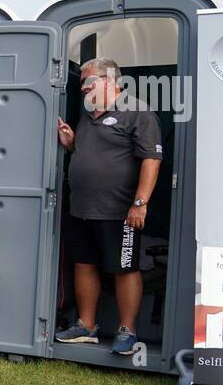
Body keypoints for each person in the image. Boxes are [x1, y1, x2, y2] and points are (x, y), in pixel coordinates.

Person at [55, 58, 163, 355]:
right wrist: (71, 144)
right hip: (82, 208)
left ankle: (126, 331)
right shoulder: (89, 113)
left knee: (125, 269)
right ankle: (86, 327)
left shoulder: (137, 111)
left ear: (109, 81)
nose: (83, 87)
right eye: (83, 83)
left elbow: (151, 160)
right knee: (84, 263)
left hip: (120, 210)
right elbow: (95, 153)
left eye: (88, 82)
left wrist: (139, 204)